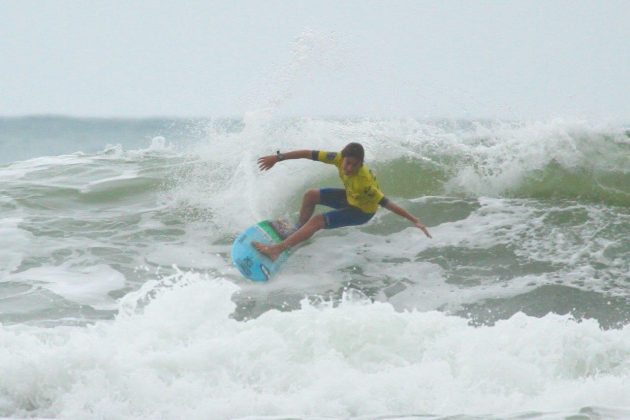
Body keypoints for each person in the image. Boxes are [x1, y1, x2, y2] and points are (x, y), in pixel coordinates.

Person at [253, 142, 432, 261]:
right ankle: (298, 231)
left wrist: (414, 220)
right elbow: (308, 153)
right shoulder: (337, 158)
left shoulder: (364, 183)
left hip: (361, 211)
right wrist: (278, 158)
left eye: (355, 165)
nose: (349, 168)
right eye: (348, 163)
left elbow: (387, 203)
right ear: (342, 158)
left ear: (361, 163)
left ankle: (278, 249)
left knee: (317, 221)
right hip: (350, 197)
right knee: (310, 195)